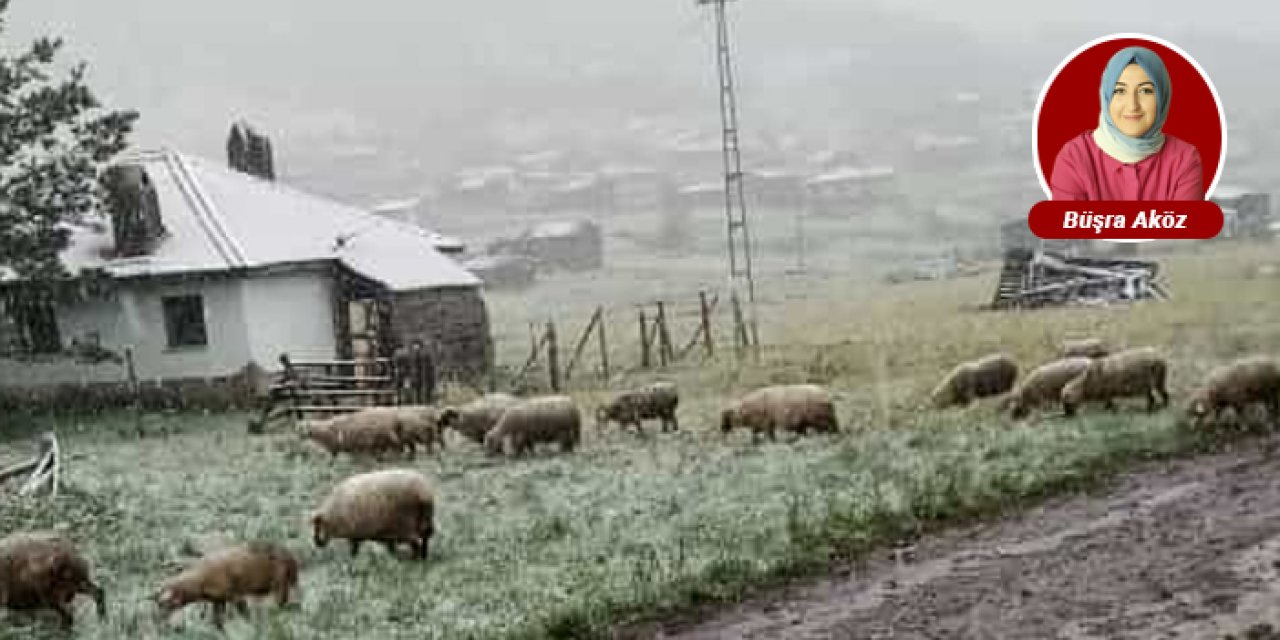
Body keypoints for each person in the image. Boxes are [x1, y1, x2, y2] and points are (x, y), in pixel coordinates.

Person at [1050, 46, 1204, 201]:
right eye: (1120, 91)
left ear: (1162, 97)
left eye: (1145, 91)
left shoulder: (1184, 159)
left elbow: (1187, 224)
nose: (1132, 105)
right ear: (1107, 97)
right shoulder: (1075, 157)